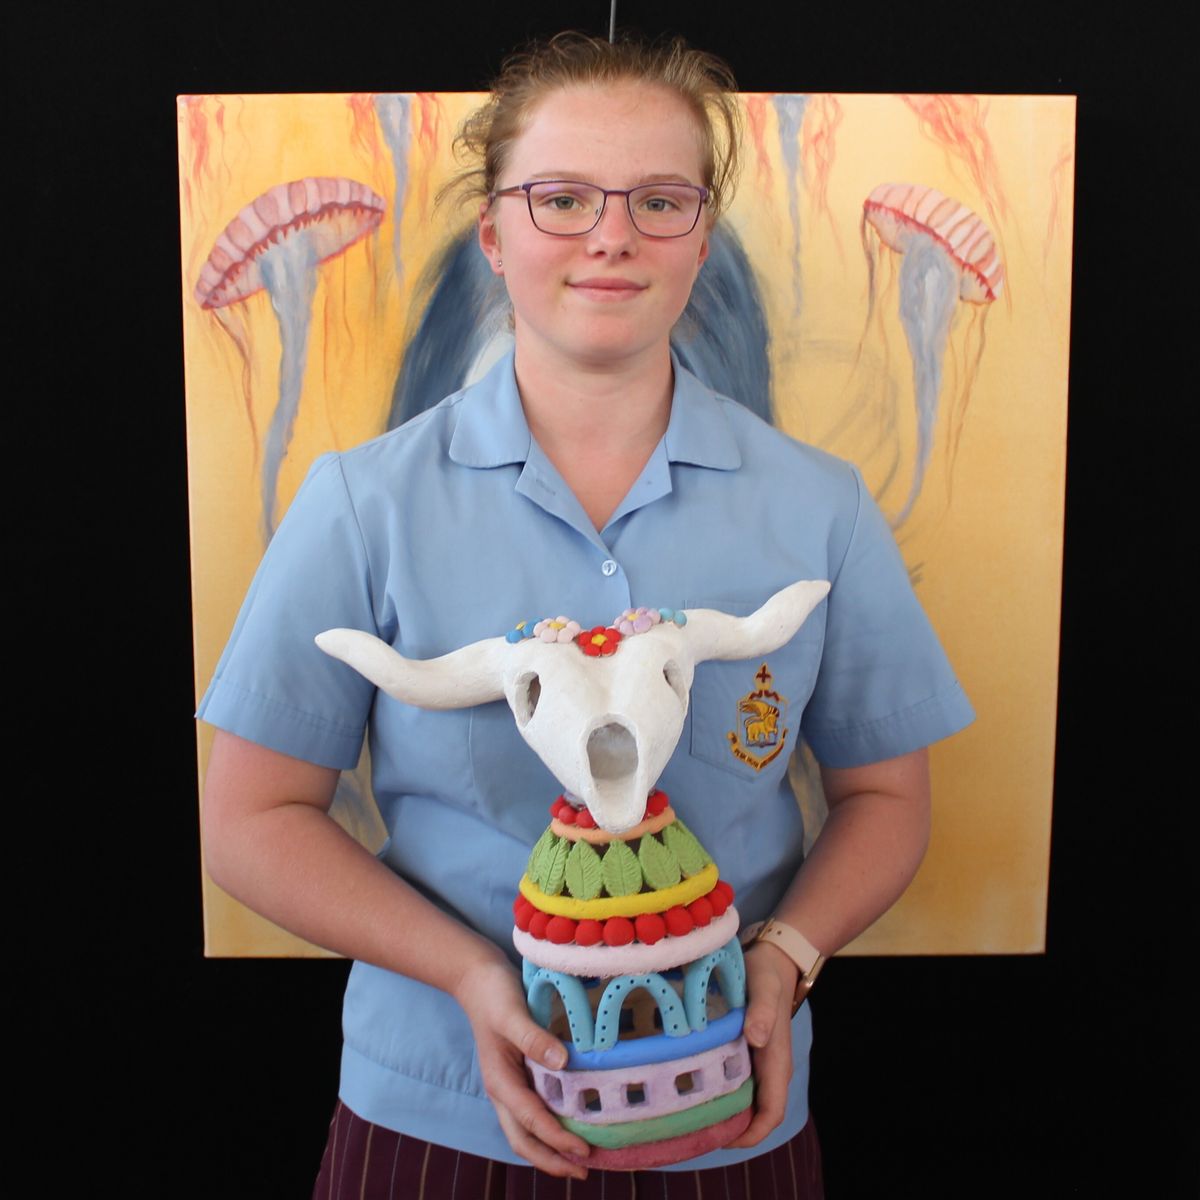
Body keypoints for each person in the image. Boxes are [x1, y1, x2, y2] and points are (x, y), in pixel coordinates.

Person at [198, 31, 974, 1199]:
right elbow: (250, 819)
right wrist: (471, 978)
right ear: (493, 235)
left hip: (732, 1111)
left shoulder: (822, 506)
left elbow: (885, 799)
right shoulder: (361, 503)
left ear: (702, 237)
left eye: (659, 201)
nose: (611, 236)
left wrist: (785, 959)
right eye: (560, 198)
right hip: (434, 1119)